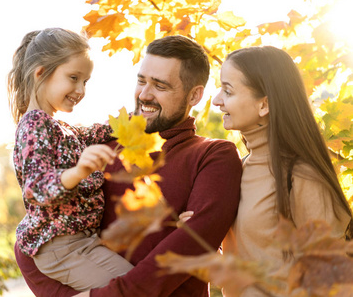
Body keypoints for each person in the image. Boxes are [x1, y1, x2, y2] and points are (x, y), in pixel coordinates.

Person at [14, 35, 243, 297]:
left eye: (160, 85)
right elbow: (33, 240)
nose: (144, 95)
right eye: (141, 81)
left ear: (194, 95)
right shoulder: (102, 152)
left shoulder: (213, 155)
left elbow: (189, 251)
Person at [211, 46, 353, 296]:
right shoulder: (240, 169)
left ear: (264, 104)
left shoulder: (301, 176)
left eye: (228, 90)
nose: (216, 100)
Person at [7, 27, 134, 291]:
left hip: (80, 242)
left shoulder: (59, 127)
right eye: (73, 78)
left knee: (135, 285)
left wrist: (135, 119)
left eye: (85, 81)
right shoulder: (33, 125)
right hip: (61, 247)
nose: (80, 89)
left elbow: (93, 133)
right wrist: (78, 172)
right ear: (41, 73)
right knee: (132, 289)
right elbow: (37, 188)